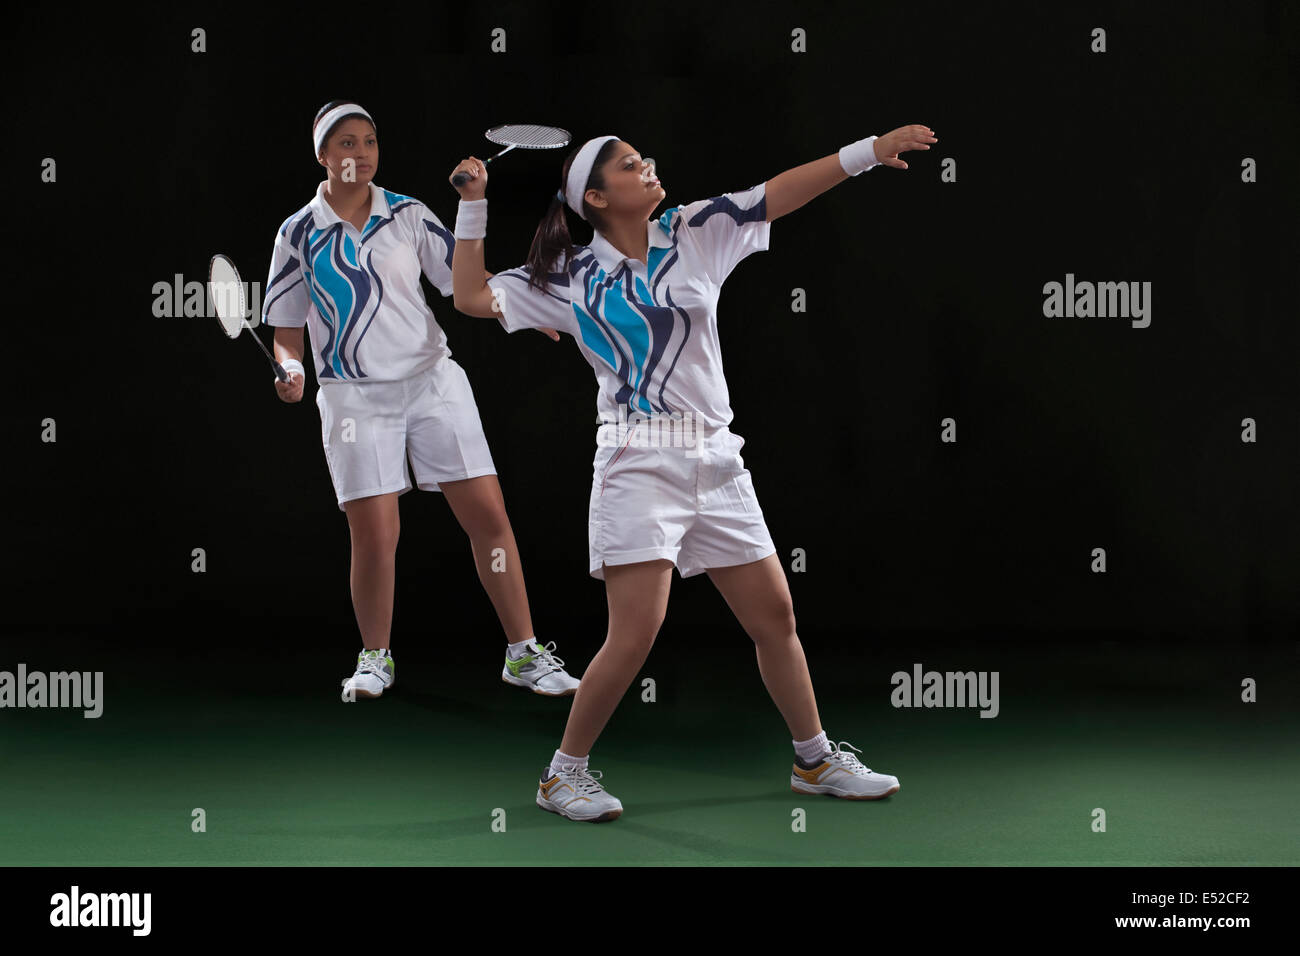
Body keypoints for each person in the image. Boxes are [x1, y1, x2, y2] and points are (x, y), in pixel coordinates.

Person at [448, 124, 937, 821]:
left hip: (716, 456)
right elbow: (470, 296)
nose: (647, 164)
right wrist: (473, 205)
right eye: (628, 164)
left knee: (775, 616)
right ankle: (562, 776)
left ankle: (815, 759)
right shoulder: (568, 277)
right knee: (637, 631)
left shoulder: (697, 229)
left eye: (642, 155)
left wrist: (868, 152)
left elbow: (778, 194)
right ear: (596, 197)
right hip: (637, 458)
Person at [261, 100, 583, 702]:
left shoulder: (407, 215)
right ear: (324, 155)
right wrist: (290, 370)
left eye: (368, 142)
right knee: (376, 536)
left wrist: (519, 302)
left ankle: (522, 653)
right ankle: (374, 658)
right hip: (352, 397)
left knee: (489, 515)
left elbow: (464, 284)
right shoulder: (296, 232)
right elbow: (286, 330)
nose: (359, 153)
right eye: (346, 143)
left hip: (433, 381)